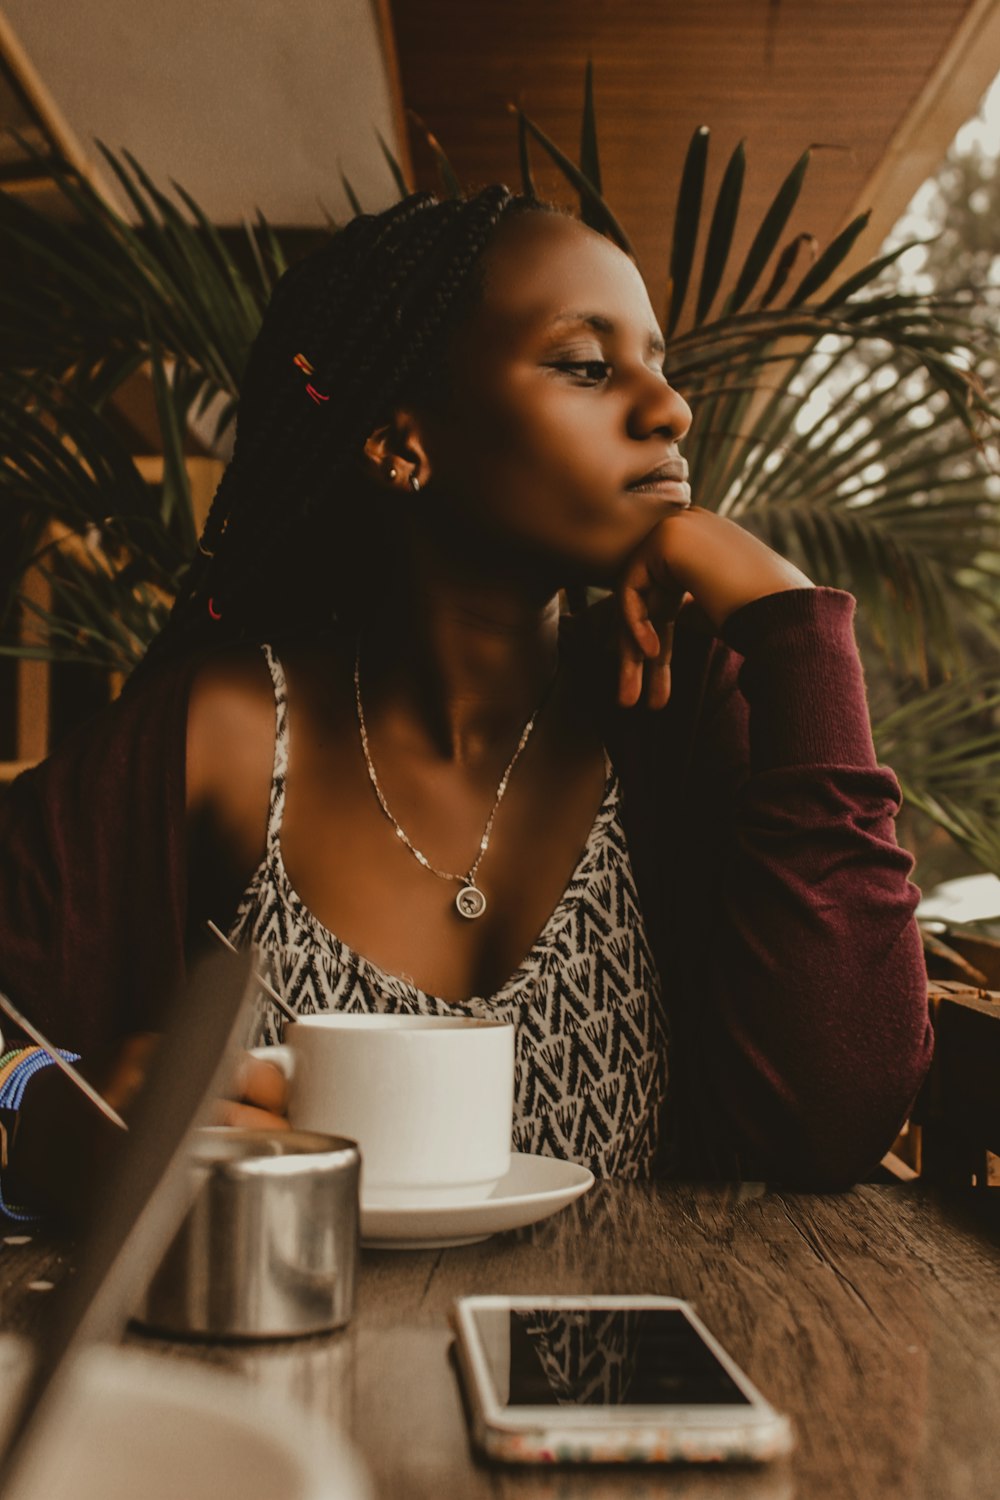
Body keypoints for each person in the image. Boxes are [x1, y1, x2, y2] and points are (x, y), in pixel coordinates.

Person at [0, 187, 932, 1212]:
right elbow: (25, 1050)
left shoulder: (675, 715)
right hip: (267, 1362)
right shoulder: (225, 730)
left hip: (618, 1364)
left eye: (656, 363)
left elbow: (835, 1115)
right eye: (586, 364)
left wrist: (793, 631)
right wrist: (51, 1113)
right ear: (404, 444)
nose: (670, 407)